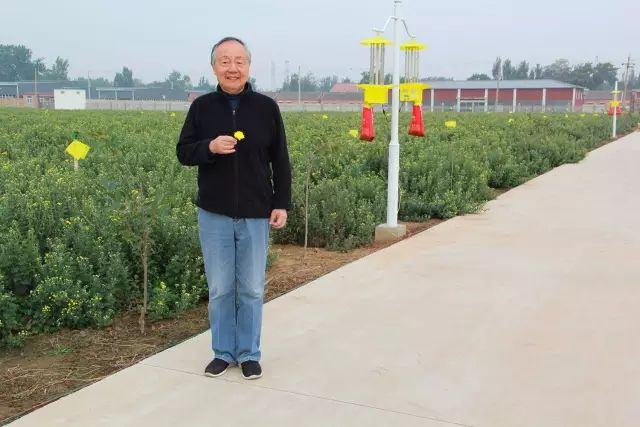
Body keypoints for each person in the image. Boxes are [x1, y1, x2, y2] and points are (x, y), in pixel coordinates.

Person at [176, 36, 291, 380]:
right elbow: (184, 152)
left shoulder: (266, 108)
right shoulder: (202, 108)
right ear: (214, 67)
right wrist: (209, 147)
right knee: (221, 288)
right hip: (214, 214)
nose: (232, 68)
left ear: (248, 66)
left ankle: (249, 353)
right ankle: (223, 352)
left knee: (252, 288)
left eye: (239, 61)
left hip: (256, 212)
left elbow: (280, 159)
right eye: (225, 61)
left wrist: (281, 202)